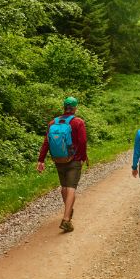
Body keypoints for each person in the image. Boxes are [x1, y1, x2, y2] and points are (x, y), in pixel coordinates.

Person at [37, 96, 88, 233]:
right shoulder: (78, 122)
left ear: (64, 107)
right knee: (71, 188)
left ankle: (68, 212)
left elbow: (47, 142)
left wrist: (41, 160)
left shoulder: (53, 122)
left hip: (58, 159)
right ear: (75, 108)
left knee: (64, 187)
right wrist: (83, 158)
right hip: (74, 159)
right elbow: (82, 142)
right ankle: (66, 219)